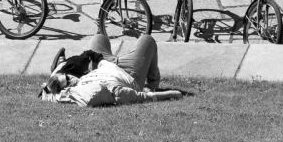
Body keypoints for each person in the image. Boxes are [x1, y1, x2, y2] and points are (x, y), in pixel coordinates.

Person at [40, 33, 182, 107]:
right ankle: (152, 84)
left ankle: (61, 65)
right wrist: (171, 93)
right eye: (69, 81)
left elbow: (48, 92)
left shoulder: (79, 81)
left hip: (104, 64)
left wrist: (56, 73)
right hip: (130, 72)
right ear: (68, 89)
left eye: (67, 75)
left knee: (98, 38)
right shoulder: (96, 91)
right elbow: (141, 98)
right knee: (147, 40)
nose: (72, 77)